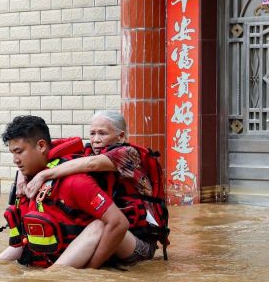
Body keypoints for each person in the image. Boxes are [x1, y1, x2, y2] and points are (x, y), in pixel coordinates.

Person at [23, 110, 167, 264]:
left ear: (121, 136)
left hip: (138, 243)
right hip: (111, 233)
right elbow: (52, 155)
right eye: (92, 133)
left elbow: (93, 164)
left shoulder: (129, 154)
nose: (96, 140)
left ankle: (64, 275)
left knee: (101, 224)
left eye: (102, 134)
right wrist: (23, 175)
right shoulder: (90, 153)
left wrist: (43, 175)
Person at [0, 115, 129, 269]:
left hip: (129, 241)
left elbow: (119, 223)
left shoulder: (75, 181)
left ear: (41, 146)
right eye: (12, 153)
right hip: (50, 259)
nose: (15, 160)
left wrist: (90, 271)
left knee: (99, 225)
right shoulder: (30, 184)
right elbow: (23, 243)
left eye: (19, 152)